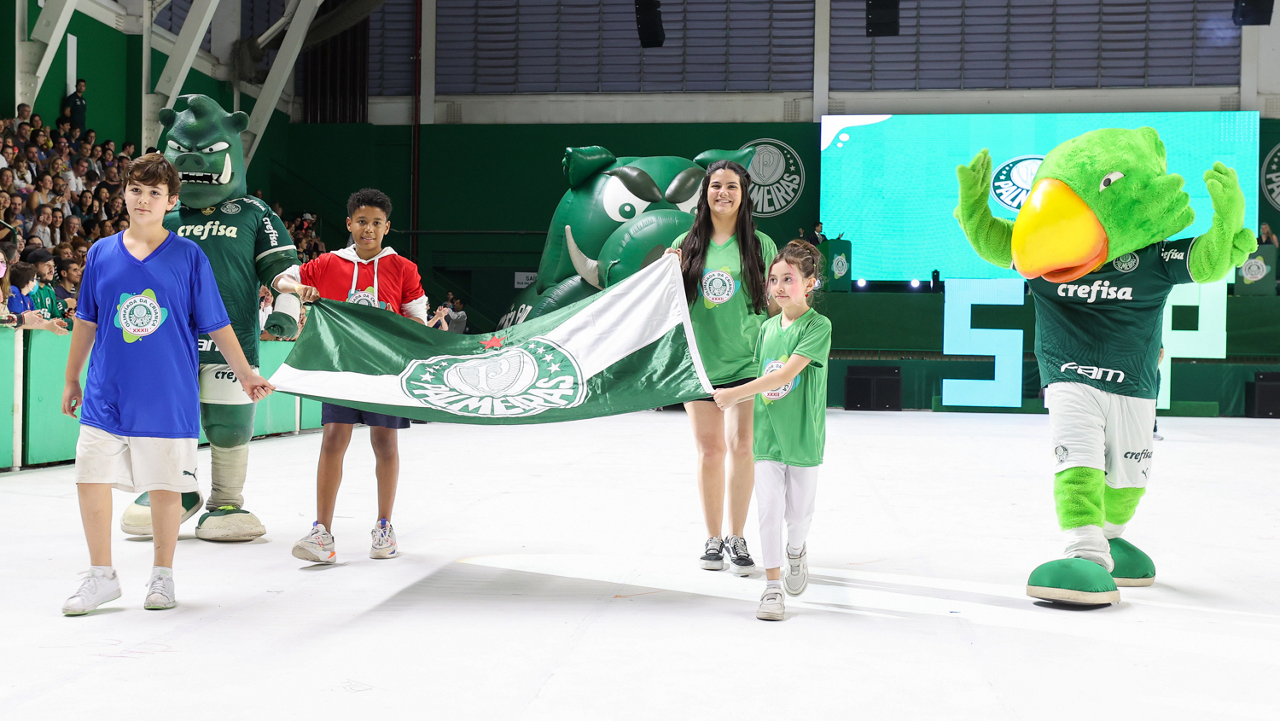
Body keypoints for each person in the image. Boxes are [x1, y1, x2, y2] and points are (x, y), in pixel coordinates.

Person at [59, 153, 273, 615]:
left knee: (164, 486)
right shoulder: (100, 253)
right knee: (89, 477)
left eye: (155, 193)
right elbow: (86, 320)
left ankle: (162, 576)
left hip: (168, 394)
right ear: (124, 193)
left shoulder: (188, 256)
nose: (144, 199)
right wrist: (72, 377)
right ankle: (101, 576)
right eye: (136, 189)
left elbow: (217, 322)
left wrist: (245, 373)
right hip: (106, 391)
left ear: (171, 201)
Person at [289, 188, 428, 564]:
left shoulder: (403, 268)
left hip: (384, 371)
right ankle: (322, 532)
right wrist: (299, 288)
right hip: (341, 368)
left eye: (377, 223)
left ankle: (384, 527)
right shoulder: (328, 263)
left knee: (385, 444)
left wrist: (394, 326)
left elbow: (418, 321)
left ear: (387, 228)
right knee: (333, 440)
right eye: (362, 221)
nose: (369, 229)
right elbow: (282, 279)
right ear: (349, 224)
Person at [667, 159, 777, 575]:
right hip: (699, 362)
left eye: (732, 186)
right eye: (716, 186)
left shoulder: (761, 245)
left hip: (747, 362)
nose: (723, 193)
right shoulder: (685, 243)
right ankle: (712, 539)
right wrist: (667, 272)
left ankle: (737, 536)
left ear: (744, 195)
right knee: (710, 451)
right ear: (705, 193)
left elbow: (774, 305)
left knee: (743, 447)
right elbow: (669, 304)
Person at [713, 240, 831, 621]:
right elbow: (761, 375)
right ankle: (772, 588)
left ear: (809, 284)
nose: (779, 287)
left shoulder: (818, 327)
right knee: (767, 511)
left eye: (788, 279)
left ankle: (796, 551)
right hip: (766, 438)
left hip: (802, 437)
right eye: (774, 279)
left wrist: (734, 395)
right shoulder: (766, 329)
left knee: (798, 518)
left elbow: (782, 375)